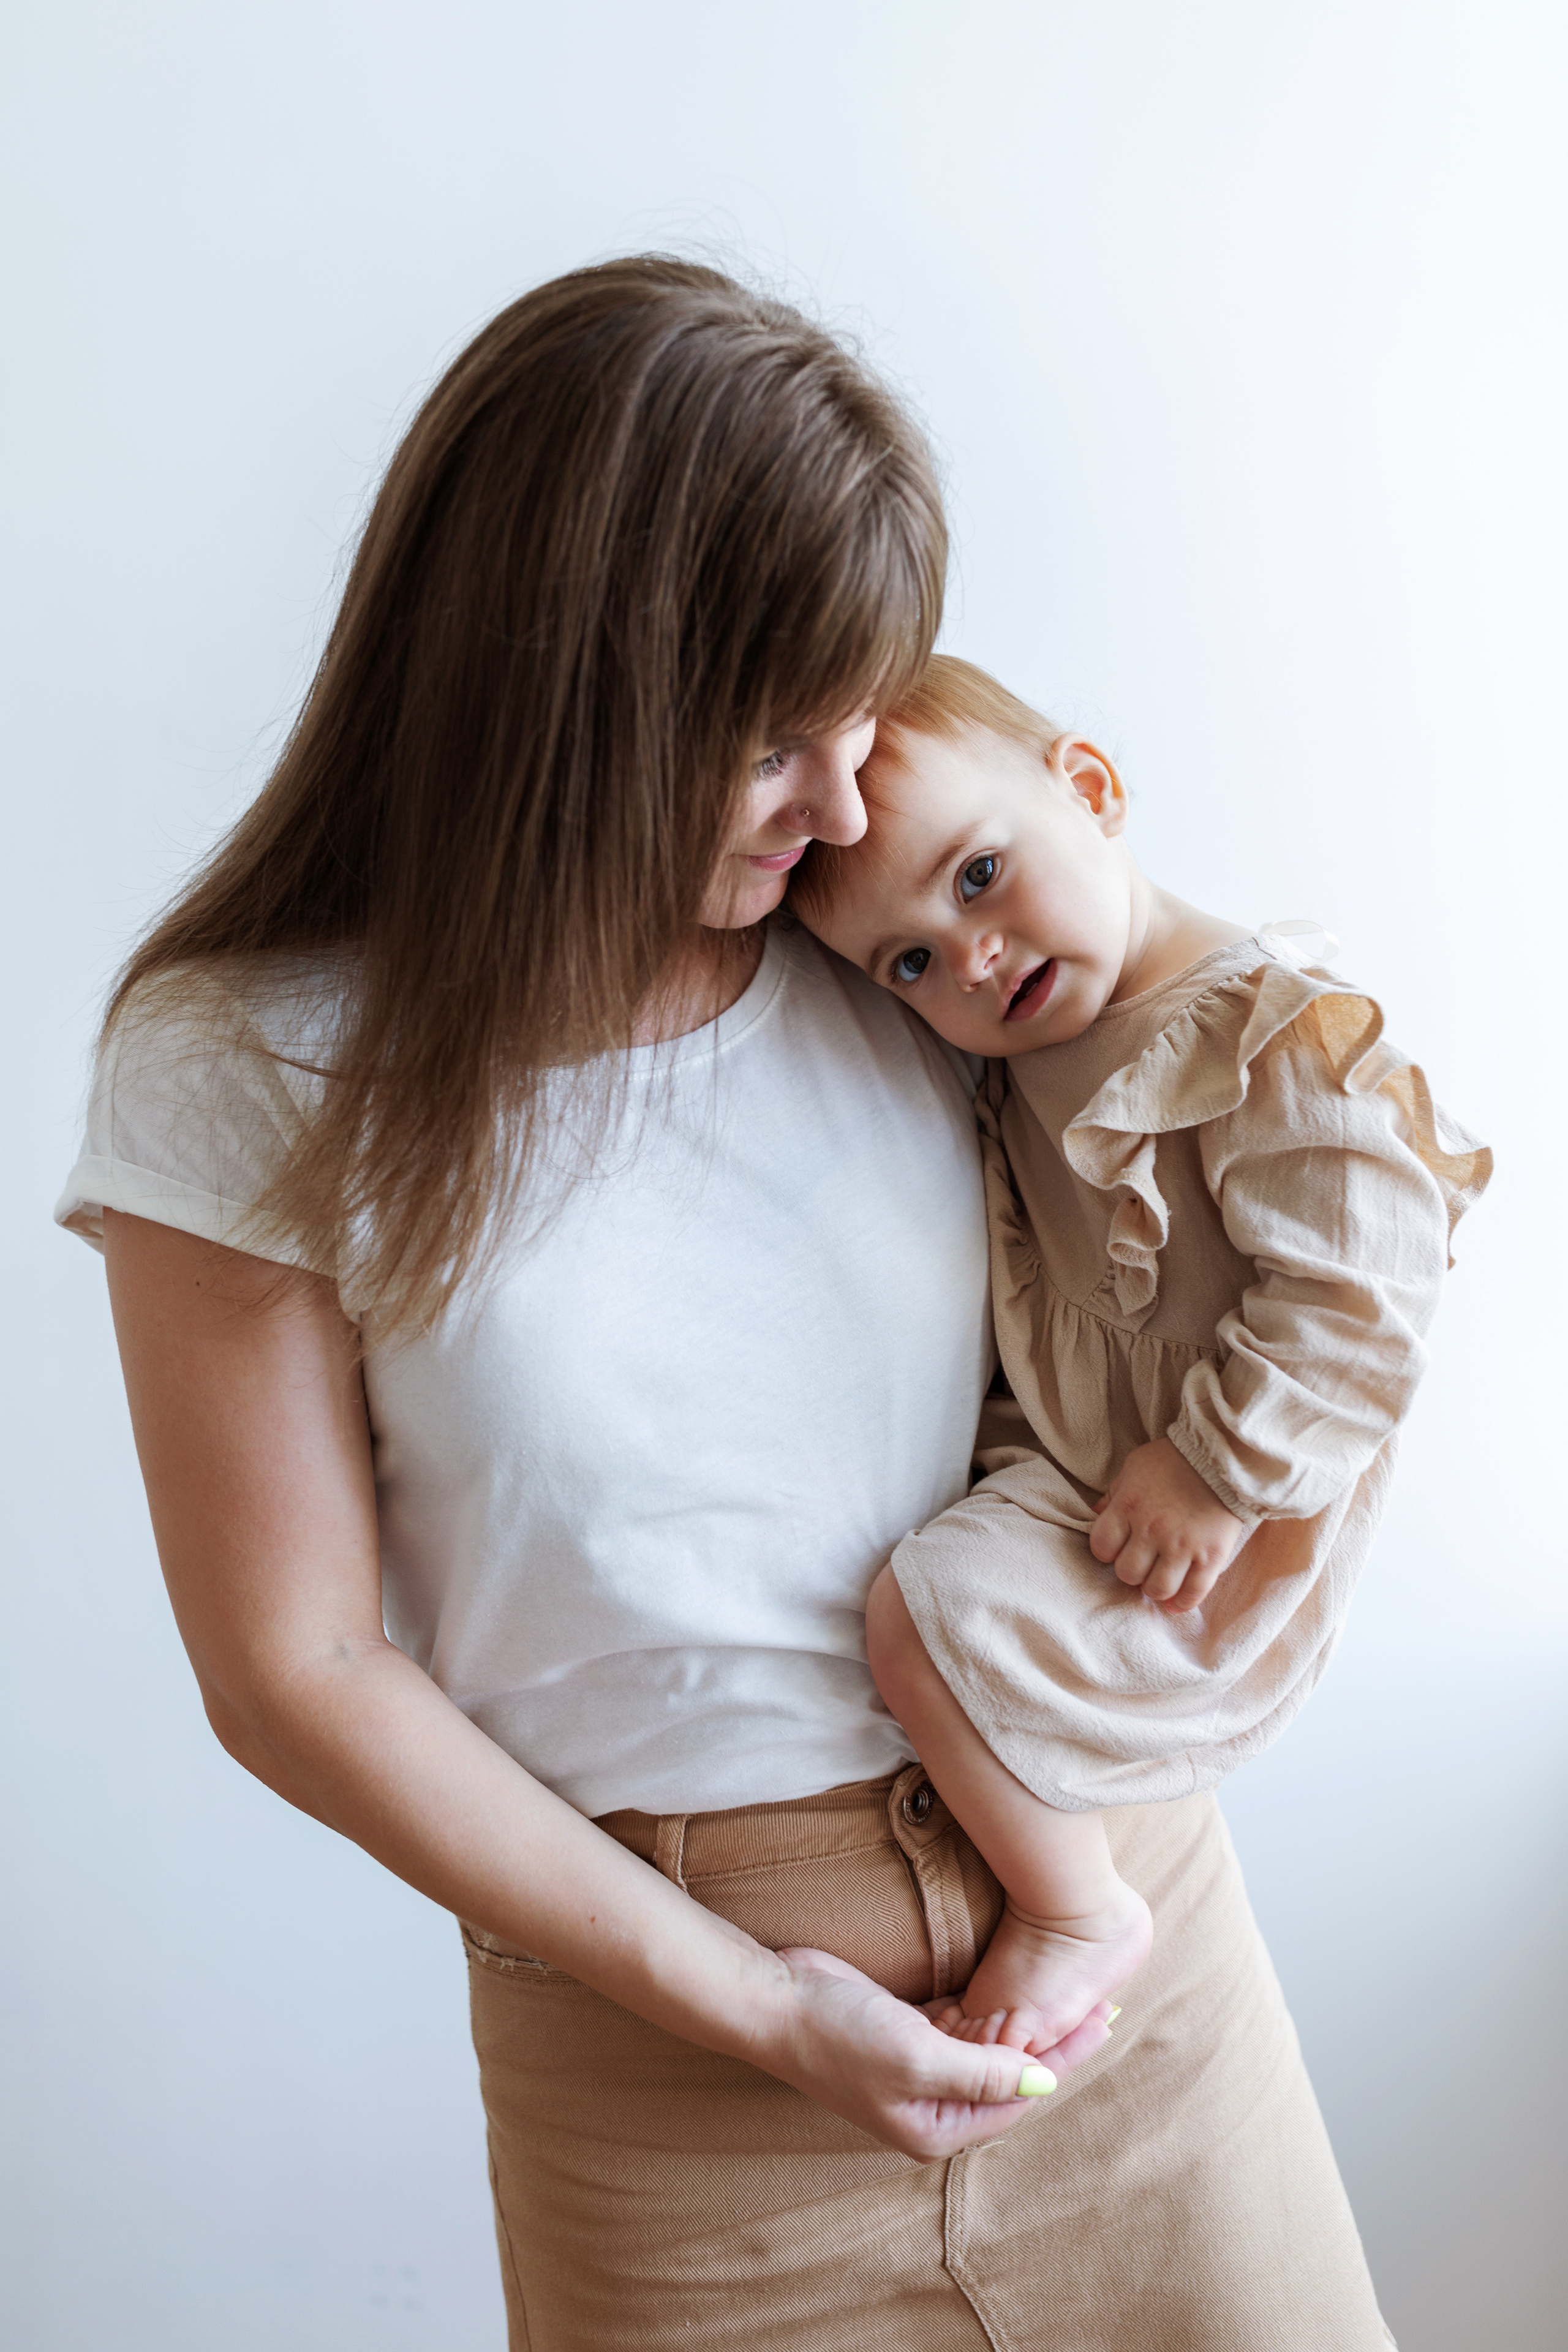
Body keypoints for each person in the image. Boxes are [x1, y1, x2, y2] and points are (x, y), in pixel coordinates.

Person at [57, 260, 1401, 2350]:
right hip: (678, 2088)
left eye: (864, 728)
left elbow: (1248, 1042)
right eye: (782, 742)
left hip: (1131, 1972)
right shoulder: (247, 1065)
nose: (853, 809)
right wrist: (764, 2009)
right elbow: (296, 1665)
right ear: (569, 696)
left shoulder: (893, 957)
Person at [793, 654, 1491, 2064]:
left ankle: (1075, 1909)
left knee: (920, 1613)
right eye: (909, 962)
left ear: (1091, 790)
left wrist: (1219, 1473)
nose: (970, 958)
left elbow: (1367, 1282)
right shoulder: (1024, 1051)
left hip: (1214, 1511)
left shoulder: (1259, 1034)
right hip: (1083, 1455)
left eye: (979, 876)